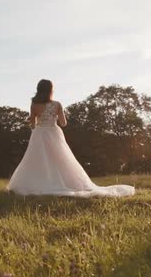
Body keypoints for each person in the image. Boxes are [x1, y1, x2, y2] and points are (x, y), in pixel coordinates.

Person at [7, 79, 135, 197]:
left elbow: (32, 123)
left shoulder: (34, 104)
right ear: (51, 90)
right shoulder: (57, 104)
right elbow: (63, 123)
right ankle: (65, 183)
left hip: (39, 133)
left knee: (36, 159)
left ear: (38, 89)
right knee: (60, 158)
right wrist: (56, 116)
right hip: (53, 132)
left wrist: (39, 121)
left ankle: (38, 183)